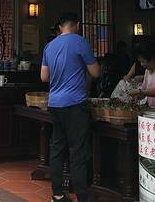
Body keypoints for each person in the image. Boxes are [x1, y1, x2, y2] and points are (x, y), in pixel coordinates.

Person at [41, 12, 100, 202]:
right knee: (78, 151)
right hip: (75, 104)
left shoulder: (49, 46)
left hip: (55, 104)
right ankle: (82, 196)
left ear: (60, 27)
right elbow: (95, 72)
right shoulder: (80, 42)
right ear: (77, 25)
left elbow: (44, 77)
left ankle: (58, 194)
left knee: (57, 149)